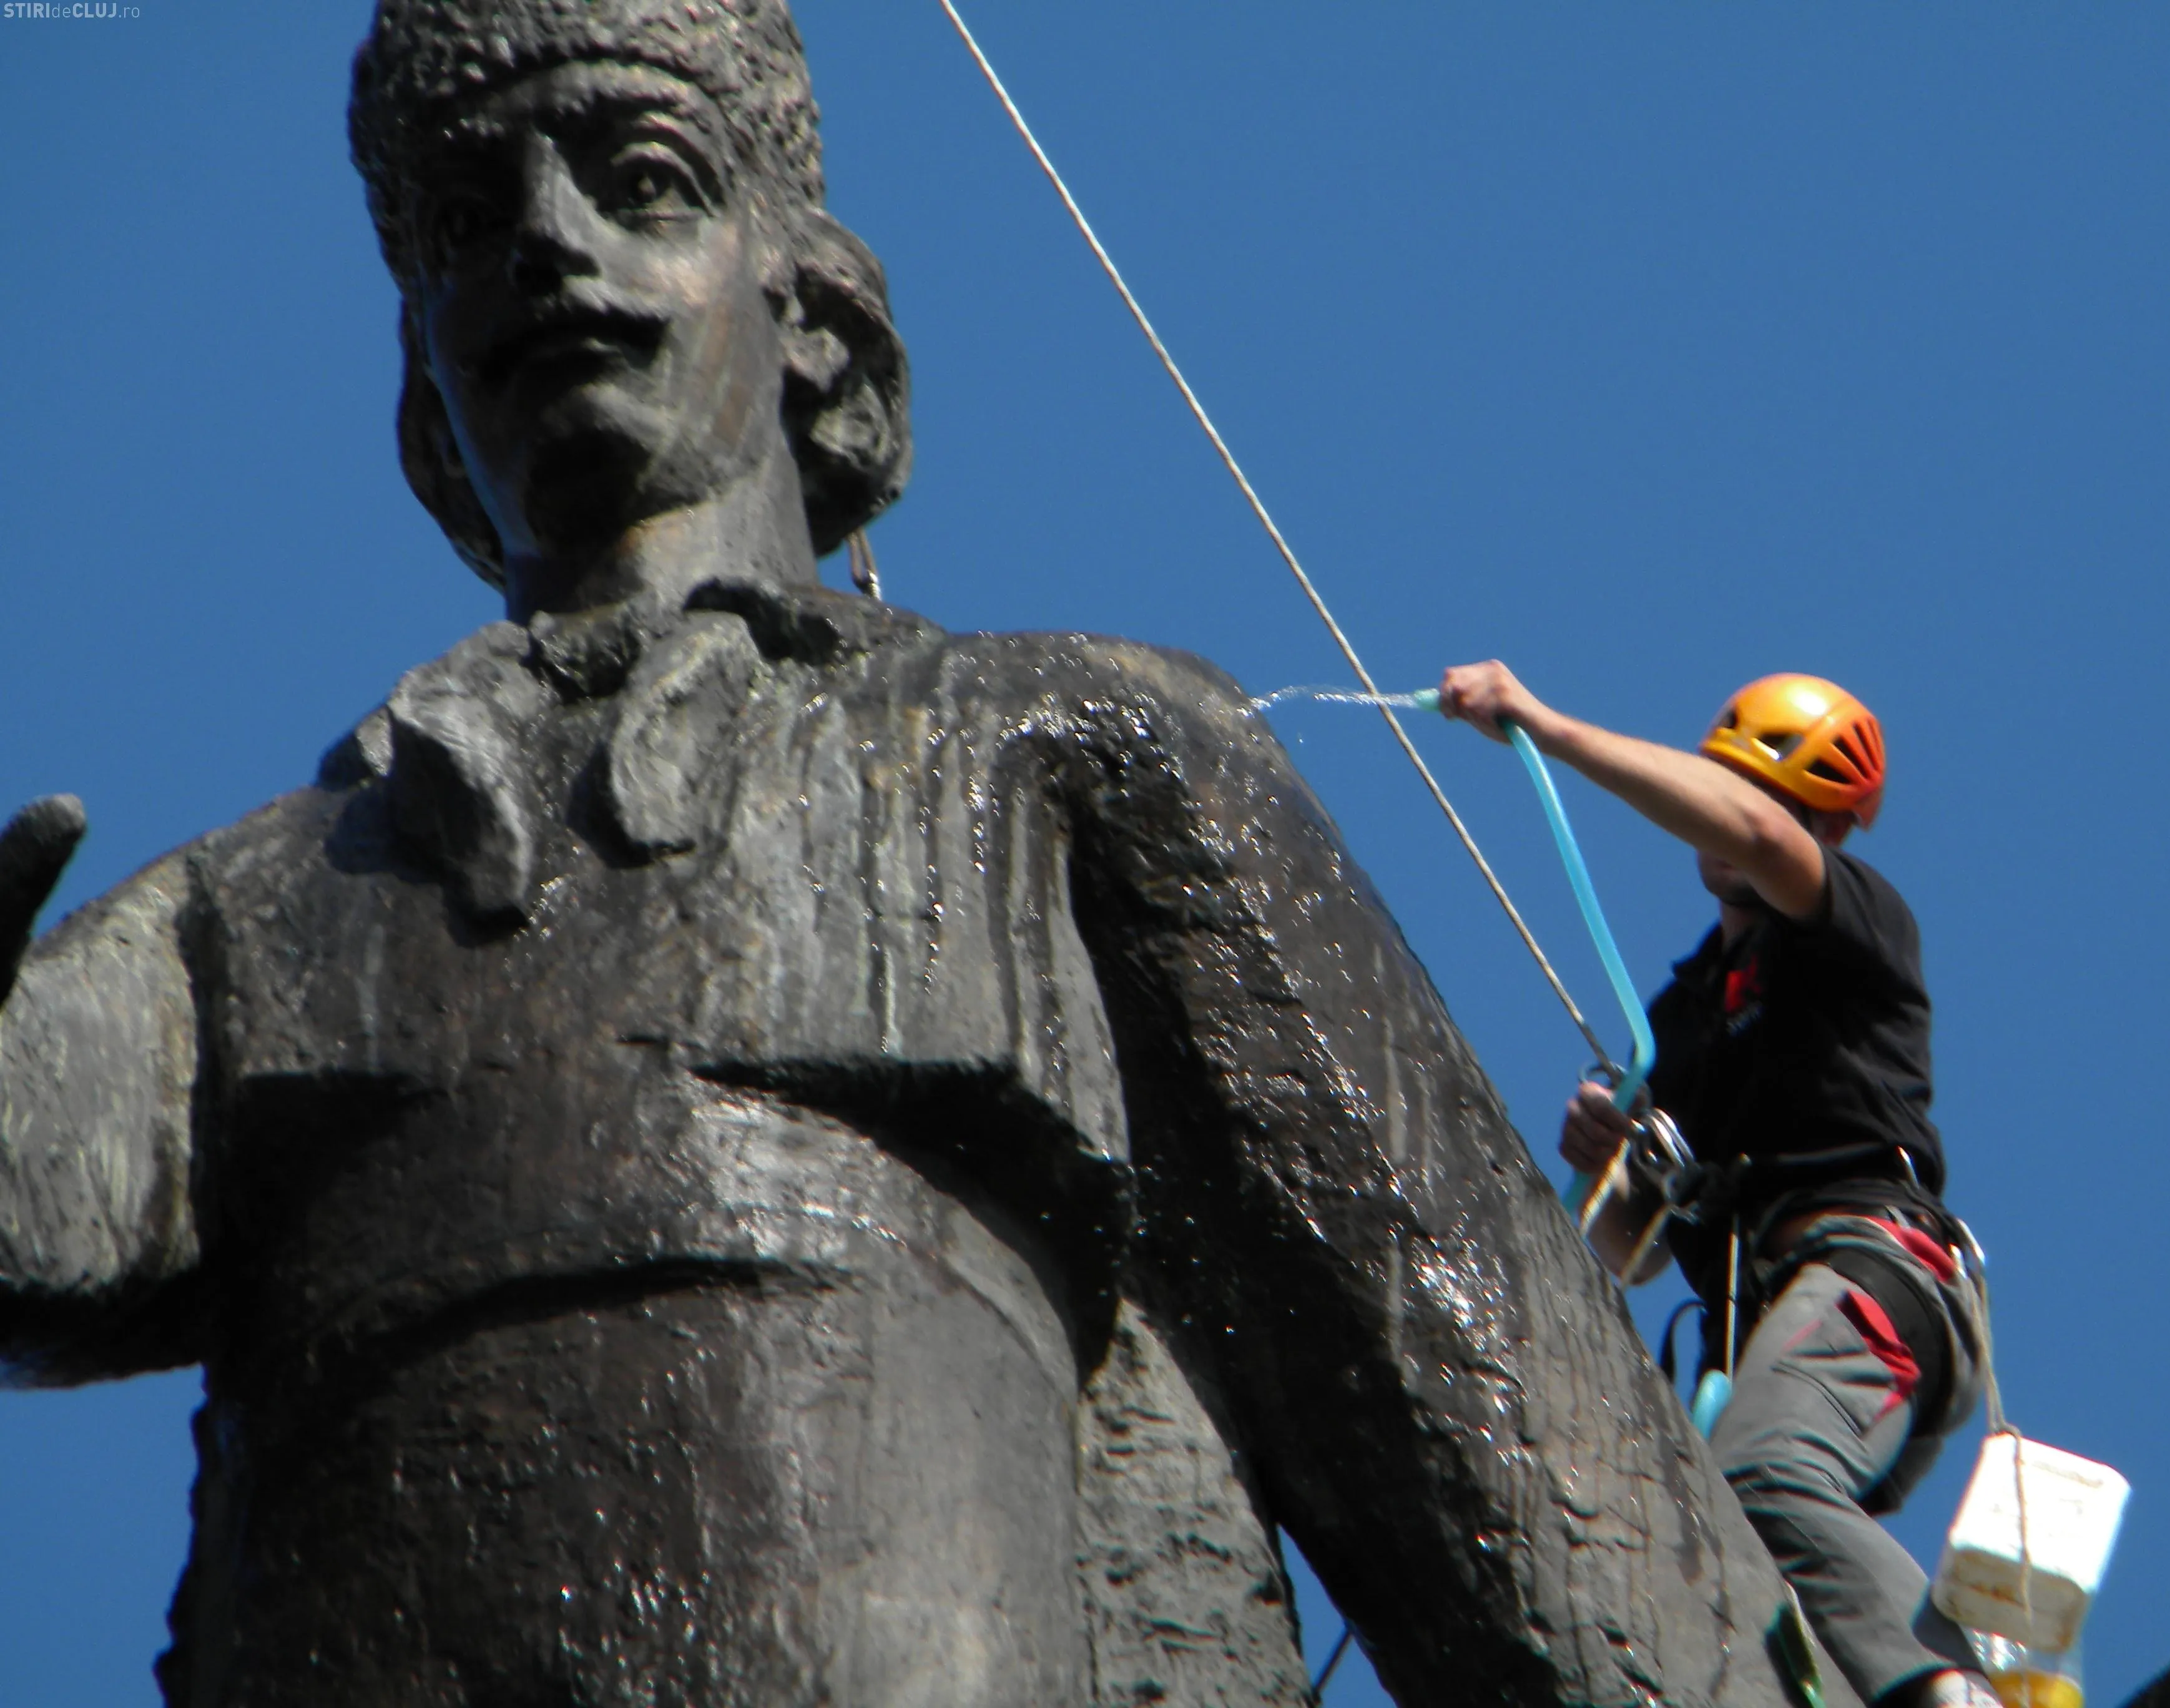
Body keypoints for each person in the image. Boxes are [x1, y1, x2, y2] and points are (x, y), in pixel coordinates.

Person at [0, 3, 1829, 1704]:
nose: (548, 243)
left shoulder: (1066, 747)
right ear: (422, 379)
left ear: (811, 310)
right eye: (473, 221)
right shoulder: (253, 906)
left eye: (642, 181)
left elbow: (1520, 1451)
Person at [1438, 661, 1998, 1708]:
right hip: (1757, 1330)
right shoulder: (1682, 1020)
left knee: (1765, 1478)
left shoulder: (1857, 929)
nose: (1745, 814)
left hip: (1868, 1273)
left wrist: (1541, 723)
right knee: (1723, 1553)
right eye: (1734, 783)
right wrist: (1609, 1167)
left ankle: (1950, 1696)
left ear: (1831, 831)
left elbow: (1760, 837)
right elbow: (1632, 1253)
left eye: (1782, 801)